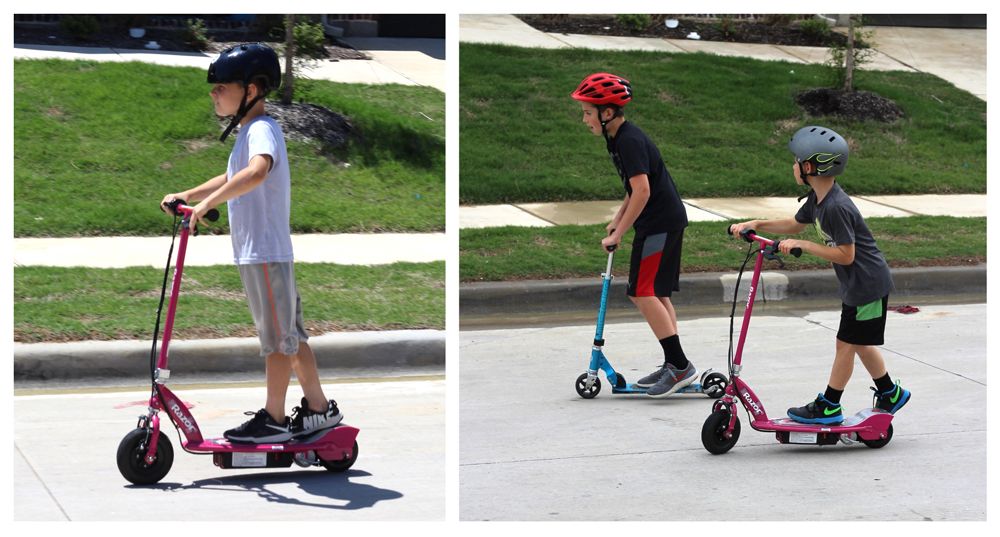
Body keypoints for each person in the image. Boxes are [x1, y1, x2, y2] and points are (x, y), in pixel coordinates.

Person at [160, 43, 342, 443]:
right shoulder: (249, 132)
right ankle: (318, 409)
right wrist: (189, 195)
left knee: (278, 342)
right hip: (262, 254)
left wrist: (207, 204)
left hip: (264, 253)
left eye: (221, 85)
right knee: (290, 337)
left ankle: (274, 419)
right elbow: (232, 178)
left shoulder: (262, 130)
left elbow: (258, 172)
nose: (214, 93)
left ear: (252, 91)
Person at [730, 125, 911, 424]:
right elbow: (794, 224)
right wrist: (757, 223)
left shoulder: (836, 208)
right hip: (858, 284)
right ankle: (890, 393)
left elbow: (846, 254)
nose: (794, 166)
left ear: (811, 167)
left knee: (846, 344)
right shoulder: (818, 199)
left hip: (867, 284)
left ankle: (829, 404)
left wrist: (805, 245)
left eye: (798, 161)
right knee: (859, 341)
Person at [571, 72, 694, 398]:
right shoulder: (619, 137)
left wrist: (620, 233)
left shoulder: (628, 140)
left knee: (641, 292)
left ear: (607, 112)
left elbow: (643, 191)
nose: (584, 119)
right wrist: (618, 217)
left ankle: (679, 366)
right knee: (658, 292)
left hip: (658, 224)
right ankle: (674, 364)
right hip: (663, 221)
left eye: (587, 112)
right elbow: (635, 189)